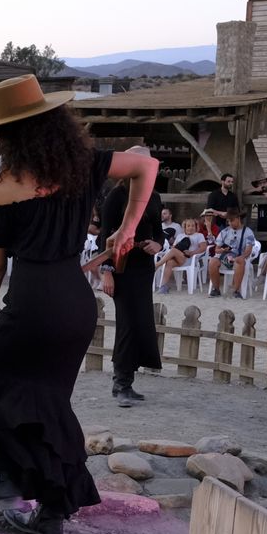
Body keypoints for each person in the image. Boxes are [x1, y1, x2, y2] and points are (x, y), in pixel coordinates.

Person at [0, 74, 159, 534]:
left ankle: (6, 478)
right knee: (48, 407)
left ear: (16, 134)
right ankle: (51, 518)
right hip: (77, 308)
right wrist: (127, 227)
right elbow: (147, 165)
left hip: (33, 305)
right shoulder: (86, 165)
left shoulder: (4, 187)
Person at [91, 147, 166, 407]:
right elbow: (104, 238)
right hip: (121, 266)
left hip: (144, 266)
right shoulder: (116, 196)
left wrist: (158, 244)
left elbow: (159, 232)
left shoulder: (154, 197)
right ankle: (120, 383)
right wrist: (107, 273)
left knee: (141, 322)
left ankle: (128, 381)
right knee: (126, 323)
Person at [156, 213, 211, 293]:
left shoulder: (199, 235)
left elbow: (203, 248)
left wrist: (192, 252)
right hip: (179, 258)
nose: (191, 228)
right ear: (184, 227)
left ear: (196, 227)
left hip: (190, 259)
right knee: (169, 262)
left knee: (173, 251)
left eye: (193, 226)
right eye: (188, 226)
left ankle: (157, 265)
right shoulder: (180, 236)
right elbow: (174, 247)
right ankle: (163, 286)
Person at [210, 208, 257, 297]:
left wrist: (241, 257)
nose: (230, 223)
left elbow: (248, 251)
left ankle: (236, 291)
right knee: (212, 261)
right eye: (228, 221)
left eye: (232, 220)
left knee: (240, 260)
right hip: (225, 258)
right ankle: (216, 289)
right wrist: (223, 250)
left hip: (239, 258)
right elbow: (216, 249)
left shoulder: (248, 232)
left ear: (238, 218)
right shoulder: (225, 231)